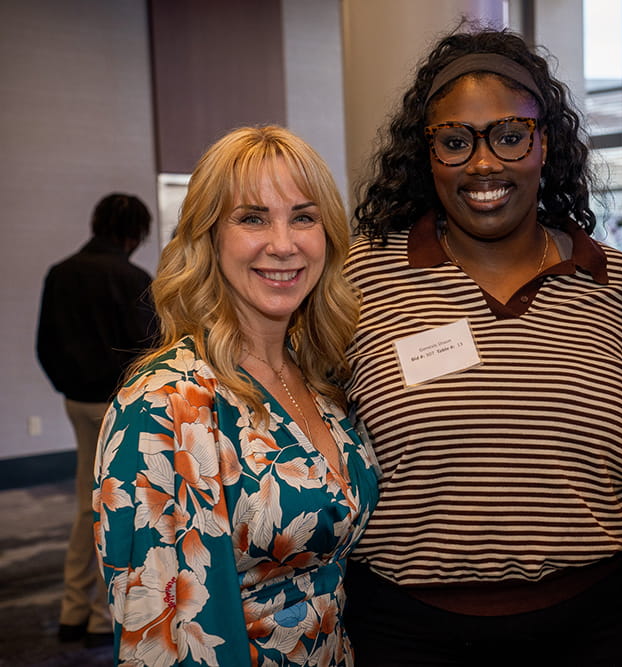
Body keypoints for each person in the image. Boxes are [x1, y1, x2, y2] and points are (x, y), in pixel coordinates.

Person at [343, 26, 622, 666]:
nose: (484, 164)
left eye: (510, 136)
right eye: (455, 142)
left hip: (593, 628)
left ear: (547, 144)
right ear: (425, 156)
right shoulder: (360, 279)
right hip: (405, 632)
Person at [93, 126, 380, 666]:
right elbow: (161, 637)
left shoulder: (320, 378)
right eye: (252, 218)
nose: (284, 243)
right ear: (208, 236)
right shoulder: (165, 404)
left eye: (304, 216)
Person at [36, 192, 156, 647]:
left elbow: (45, 345)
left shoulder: (60, 273)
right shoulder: (131, 278)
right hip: (120, 408)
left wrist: (69, 386)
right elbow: (149, 349)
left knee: (87, 504)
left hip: (76, 402)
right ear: (136, 232)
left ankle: (75, 609)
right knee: (122, 509)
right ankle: (103, 618)